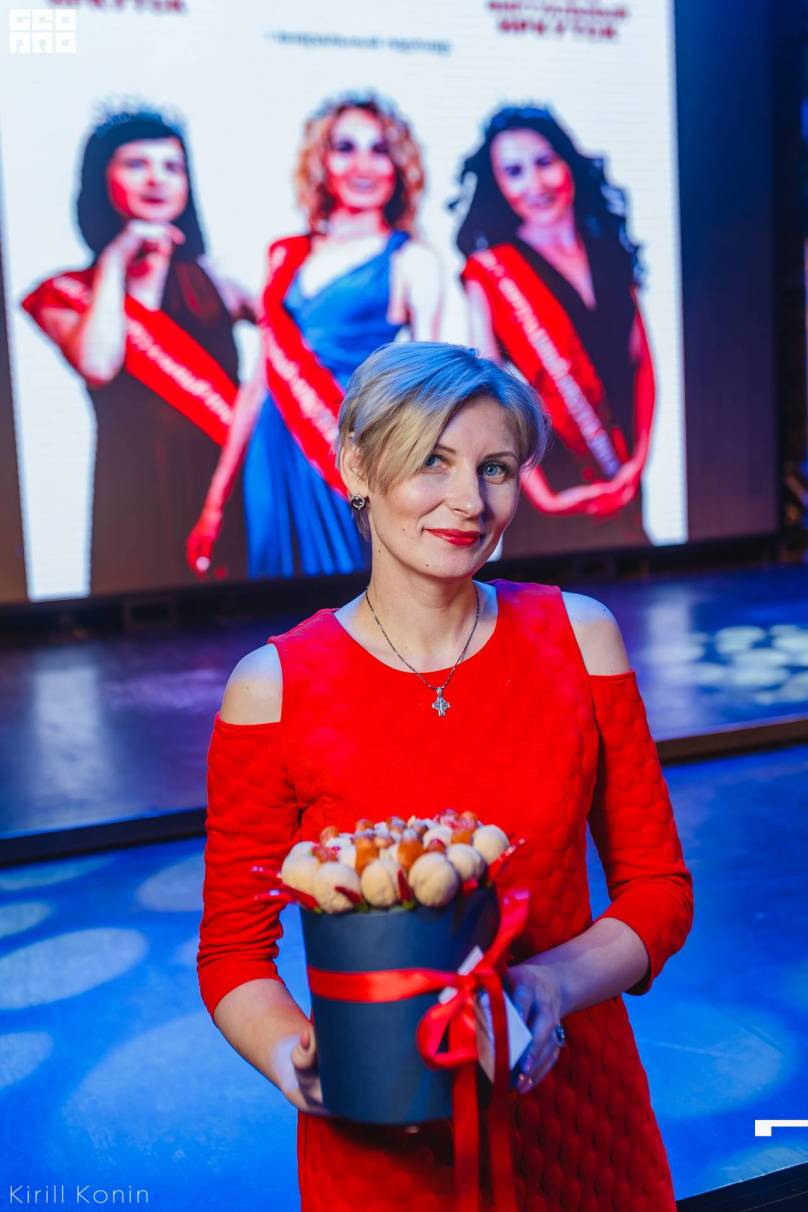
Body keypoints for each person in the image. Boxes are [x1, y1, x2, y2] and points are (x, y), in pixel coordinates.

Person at [197, 342, 693, 1211]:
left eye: (495, 468)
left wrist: (551, 984)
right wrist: (296, 1060)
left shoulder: (580, 638)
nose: (470, 501)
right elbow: (234, 952)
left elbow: (658, 891)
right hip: (386, 1145)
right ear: (357, 465)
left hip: (579, 1121)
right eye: (433, 459)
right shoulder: (272, 687)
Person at [186, 94, 442, 581]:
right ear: (322, 161)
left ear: (398, 165)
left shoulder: (412, 260)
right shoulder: (285, 255)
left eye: (379, 149)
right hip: (271, 448)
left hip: (346, 445)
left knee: (351, 590)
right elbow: (257, 384)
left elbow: (426, 395)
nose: (362, 164)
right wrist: (215, 502)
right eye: (345, 147)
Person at [21, 108, 251, 593]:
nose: (156, 180)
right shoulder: (64, 293)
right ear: (101, 180)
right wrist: (116, 258)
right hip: (132, 491)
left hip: (225, 486)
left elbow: (297, 345)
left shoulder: (218, 282)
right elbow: (99, 364)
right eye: (135, 164)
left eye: (172, 167)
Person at [454, 106, 656, 556]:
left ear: (568, 163)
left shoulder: (609, 250)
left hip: (619, 472)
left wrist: (637, 465)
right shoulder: (490, 272)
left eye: (545, 162)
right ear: (497, 185)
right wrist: (540, 493)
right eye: (514, 172)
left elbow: (641, 364)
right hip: (546, 487)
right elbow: (487, 400)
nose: (536, 183)